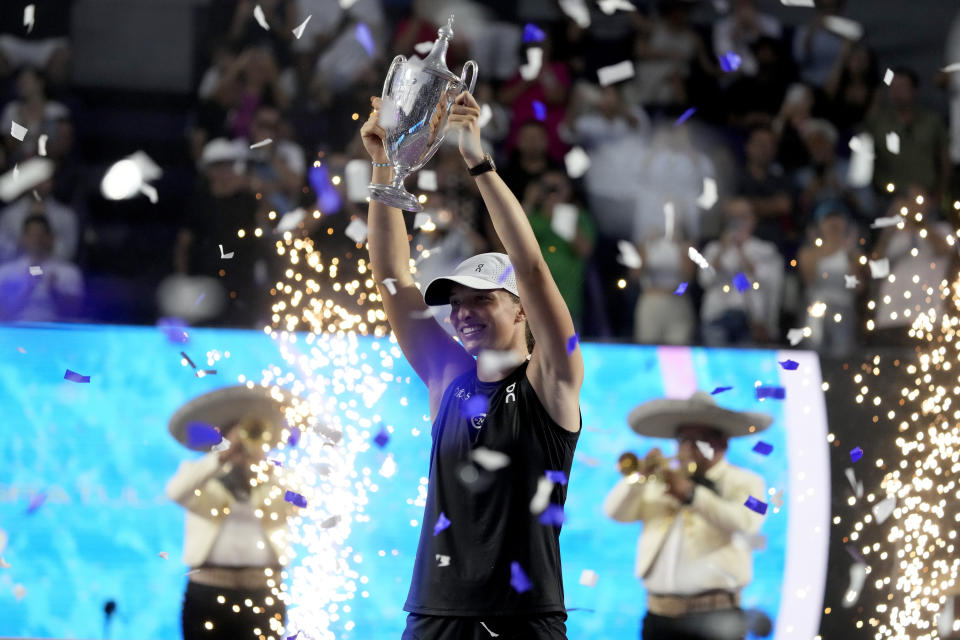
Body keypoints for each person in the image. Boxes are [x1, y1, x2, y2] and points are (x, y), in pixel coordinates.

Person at [361, 90, 583, 639]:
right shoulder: (448, 376)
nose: (462, 314)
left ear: (521, 308)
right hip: (436, 616)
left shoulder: (553, 380)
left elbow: (530, 265)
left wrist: (477, 162)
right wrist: (385, 165)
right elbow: (392, 272)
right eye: (456, 303)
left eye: (481, 298)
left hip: (524, 622)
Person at [603, 391, 771, 640]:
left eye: (700, 440)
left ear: (722, 444)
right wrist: (638, 478)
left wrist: (692, 495)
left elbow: (748, 523)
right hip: (659, 617)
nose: (688, 448)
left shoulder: (749, 482)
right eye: (683, 439)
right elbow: (614, 512)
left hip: (717, 621)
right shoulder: (660, 480)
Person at [166, 386, 298, 640]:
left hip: (265, 592)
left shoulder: (277, 479)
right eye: (234, 437)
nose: (243, 445)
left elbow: (303, 500)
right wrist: (221, 457)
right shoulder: (201, 476)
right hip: (206, 591)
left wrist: (266, 463)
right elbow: (175, 492)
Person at [698, 198, 784, 346]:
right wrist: (722, 250)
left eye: (743, 217)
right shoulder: (713, 249)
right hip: (716, 317)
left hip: (751, 322)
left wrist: (741, 251)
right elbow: (705, 280)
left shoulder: (765, 250)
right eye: (733, 217)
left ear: (753, 219)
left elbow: (769, 284)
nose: (738, 222)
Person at [0, 212, 82, 322]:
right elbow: (4, 313)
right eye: (32, 235)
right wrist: (27, 288)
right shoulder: (6, 271)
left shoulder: (69, 272)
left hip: (56, 332)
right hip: (16, 331)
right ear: (23, 238)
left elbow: (75, 313)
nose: (36, 240)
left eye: (41, 235)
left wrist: (54, 292)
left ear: (51, 238)